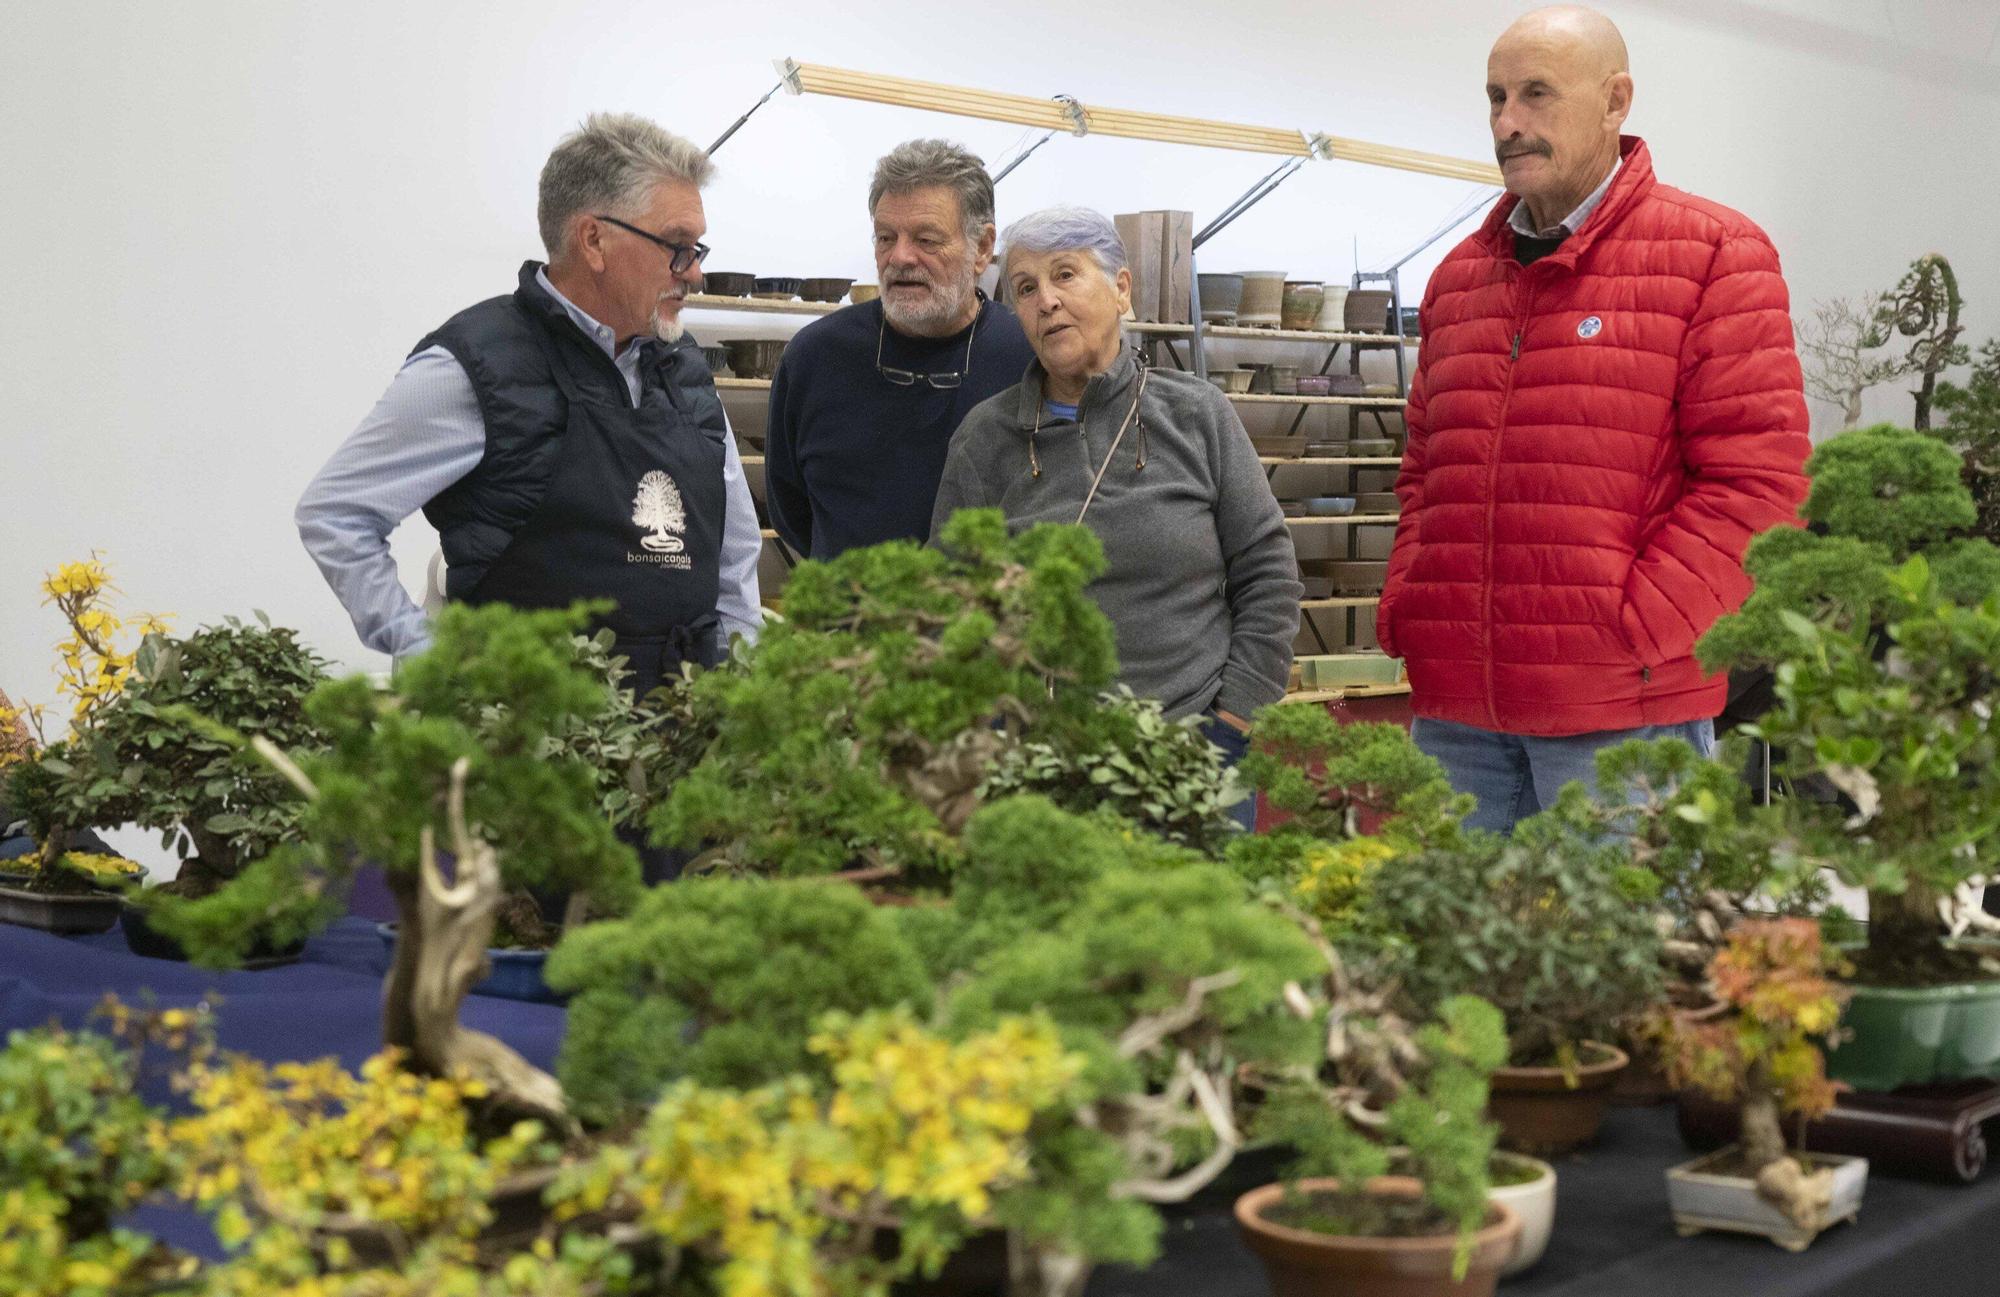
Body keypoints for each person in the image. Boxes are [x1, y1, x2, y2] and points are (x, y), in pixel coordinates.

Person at [1374, 5, 1811, 833]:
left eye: (1537, 94)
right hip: (1455, 713)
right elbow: (1425, 469)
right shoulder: (1457, 280)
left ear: (1616, 101)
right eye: (1496, 98)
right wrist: (1413, 601)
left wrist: (1636, 629)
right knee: (1449, 960)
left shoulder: (1716, 252)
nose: (1508, 123)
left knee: (1621, 959)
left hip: (1624, 718)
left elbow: (1760, 487)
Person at [297, 112, 762, 700]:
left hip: (676, 737)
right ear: (594, 240)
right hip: (530, 751)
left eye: (696, 249)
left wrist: (738, 694)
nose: (694, 273)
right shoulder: (475, 366)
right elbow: (336, 513)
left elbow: (736, 552)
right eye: (676, 248)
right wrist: (431, 660)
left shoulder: (686, 371)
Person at [929, 205, 1301, 822]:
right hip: (1041, 773)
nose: (1045, 300)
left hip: (1193, 755)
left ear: (1122, 289)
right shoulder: (986, 439)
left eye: (1065, 275)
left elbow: (1269, 574)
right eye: (1025, 288)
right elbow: (948, 603)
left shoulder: (1197, 416)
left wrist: (1233, 722)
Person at [765, 139, 1036, 559]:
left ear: (982, 249)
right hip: (849, 619)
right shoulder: (815, 357)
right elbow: (791, 511)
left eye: (926, 240)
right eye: (886, 237)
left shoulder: (1029, 357)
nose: (900, 257)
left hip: (987, 622)